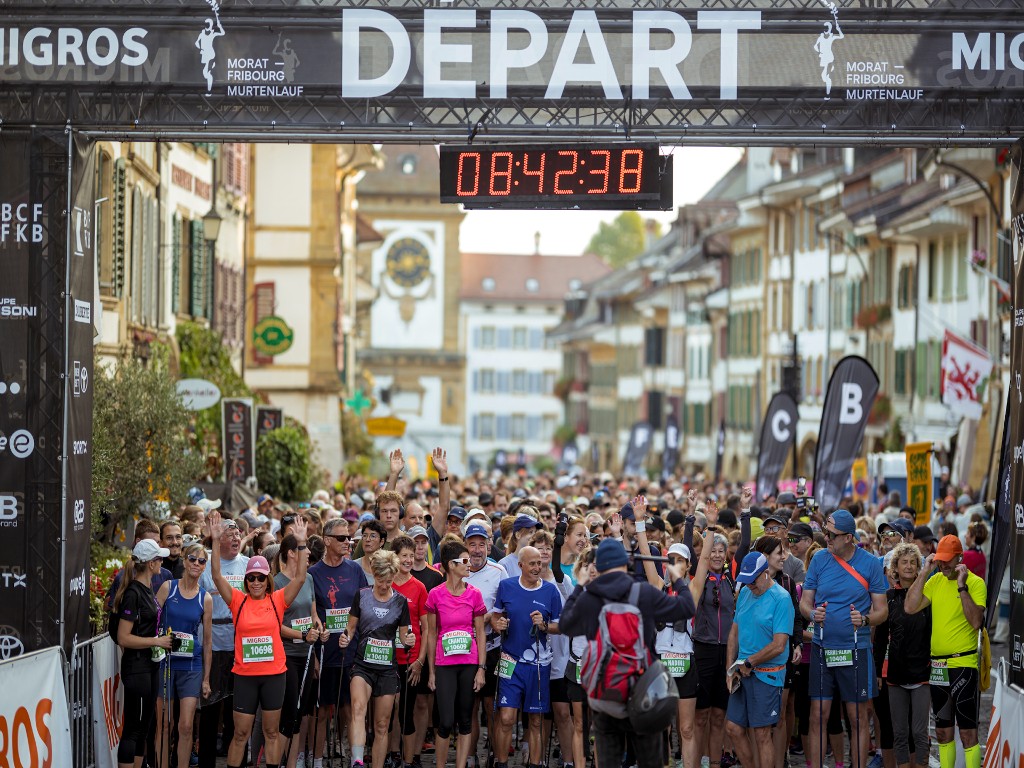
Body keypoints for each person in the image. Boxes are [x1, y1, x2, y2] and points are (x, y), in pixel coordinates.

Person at [559, 538, 695, 768]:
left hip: (605, 693)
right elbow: (687, 608)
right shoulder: (643, 592)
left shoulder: (590, 597)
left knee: (609, 761)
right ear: (625, 564)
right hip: (643, 692)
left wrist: (581, 585)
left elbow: (565, 625)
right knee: (650, 761)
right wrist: (677, 578)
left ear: (599, 566)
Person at [208, 510, 311, 768]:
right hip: (244, 676)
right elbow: (217, 577)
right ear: (246, 580)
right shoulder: (237, 601)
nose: (255, 582)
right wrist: (214, 541)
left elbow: (300, 578)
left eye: (260, 578)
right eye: (251, 578)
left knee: (272, 733)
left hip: (274, 675)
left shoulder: (277, 601)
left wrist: (300, 542)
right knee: (240, 734)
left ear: (268, 580)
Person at [799, 509, 889, 768]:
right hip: (822, 648)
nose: (826, 538)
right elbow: (805, 603)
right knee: (818, 715)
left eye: (832, 535)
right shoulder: (819, 560)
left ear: (849, 537)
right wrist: (812, 613)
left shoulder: (871, 563)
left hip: (856, 649)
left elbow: (882, 610)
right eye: (825, 532)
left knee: (858, 716)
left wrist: (867, 620)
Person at [904, 535, 986, 768]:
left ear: (960, 558)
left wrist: (961, 586)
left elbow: (975, 621)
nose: (943, 565)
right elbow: (910, 607)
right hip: (938, 666)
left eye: (948, 561)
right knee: (942, 733)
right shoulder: (935, 579)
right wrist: (924, 571)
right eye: (940, 560)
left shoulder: (975, 582)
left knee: (968, 733)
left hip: (963, 665)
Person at [339, 550, 415, 768]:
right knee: (358, 708)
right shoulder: (361, 595)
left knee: (382, 724)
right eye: (381, 580)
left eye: (389, 581)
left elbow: (403, 636)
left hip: (387, 669)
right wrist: (345, 638)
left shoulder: (400, 601)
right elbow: (350, 628)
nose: (384, 585)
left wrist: (408, 639)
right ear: (374, 574)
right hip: (362, 665)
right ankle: (357, 761)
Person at [490, 546, 563, 768]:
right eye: (532, 563)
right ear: (520, 565)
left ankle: (535, 763)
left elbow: (558, 626)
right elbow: (495, 617)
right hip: (510, 661)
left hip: (538, 665)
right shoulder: (507, 586)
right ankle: (500, 763)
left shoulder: (550, 591)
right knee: (506, 718)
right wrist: (498, 624)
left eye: (540, 563)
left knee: (536, 720)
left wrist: (543, 625)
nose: (537, 567)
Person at [725, 552, 794, 768]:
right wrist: (730, 669)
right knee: (733, 728)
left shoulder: (781, 598)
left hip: (767, 675)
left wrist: (749, 662)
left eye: (752, 579)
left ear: (765, 573)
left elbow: (779, 645)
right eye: (745, 580)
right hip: (743, 672)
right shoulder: (745, 592)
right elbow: (733, 634)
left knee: (762, 733)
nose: (749, 585)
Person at [310, 518, 369, 768]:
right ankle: (318, 759)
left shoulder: (355, 570)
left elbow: (365, 605)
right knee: (322, 711)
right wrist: (313, 655)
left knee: (351, 708)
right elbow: (310, 615)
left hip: (352, 650)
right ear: (327, 540)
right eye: (342, 538)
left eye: (349, 538)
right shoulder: (313, 574)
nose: (348, 542)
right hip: (325, 651)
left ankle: (352, 756)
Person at [425, 539, 488, 768]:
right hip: (444, 664)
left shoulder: (475, 594)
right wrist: (431, 671)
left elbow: (480, 634)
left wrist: (481, 669)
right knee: (445, 720)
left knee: (464, 720)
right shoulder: (435, 595)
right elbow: (432, 634)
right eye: (464, 560)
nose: (468, 563)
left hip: (469, 663)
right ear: (451, 565)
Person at [112, 539, 174, 768]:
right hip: (136, 667)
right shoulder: (132, 593)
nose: (162, 561)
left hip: (150, 665)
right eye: (159, 558)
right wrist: (156, 641)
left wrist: (159, 641)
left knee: (145, 726)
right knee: (133, 728)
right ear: (150, 563)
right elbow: (123, 637)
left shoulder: (147, 589)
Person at [155, 541, 213, 768]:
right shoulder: (168, 588)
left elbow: (207, 641)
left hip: (191, 666)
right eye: (192, 559)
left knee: (186, 726)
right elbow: (152, 621)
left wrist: (207, 678)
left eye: (201, 561)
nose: (196, 564)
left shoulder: (205, 598)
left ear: (205, 566)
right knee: (164, 724)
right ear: (184, 560)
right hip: (165, 663)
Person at [197, 515, 249, 768]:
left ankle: (234, 761)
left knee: (236, 710)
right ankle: (207, 761)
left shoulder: (249, 565)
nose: (236, 538)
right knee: (209, 710)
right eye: (230, 534)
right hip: (212, 644)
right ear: (219, 538)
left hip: (240, 645)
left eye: (239, 534)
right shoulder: (206, 565)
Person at [874, 543, 931, 768]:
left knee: (918, 731)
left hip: (922, 672)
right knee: (899, 732)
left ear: (919, 567)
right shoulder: (888, 597)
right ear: (895, 567)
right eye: (904, 562)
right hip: (895, 674)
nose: (908, 566)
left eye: (913, 562)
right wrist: (878, 671)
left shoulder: (928, 596)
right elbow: (879, 639)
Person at [274, 534, 326, 768]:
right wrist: (301, 635)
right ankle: (276, 762)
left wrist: (318, 628)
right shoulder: (276, 583)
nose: (308, 555)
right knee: (289, 712)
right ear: (291, 553)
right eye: (303, 550)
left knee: (301, 714)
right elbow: (274, 624)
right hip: (286, 655)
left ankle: (292, 763)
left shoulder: (309, 580)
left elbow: (312, 615)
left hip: (307, 653)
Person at [463, 523, 509, 768]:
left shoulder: (499, 570)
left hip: (492, 647)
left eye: (482, 544)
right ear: (465, 546)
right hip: (464, 648)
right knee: (470, 707)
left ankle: (493, 751)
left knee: (492, 706)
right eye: (472, 544)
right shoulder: (458, 570)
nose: (477, 550)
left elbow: (506, 607)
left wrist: (494, 619)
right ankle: (470, 758)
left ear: (489, 545)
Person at [388, 534, 430, 768]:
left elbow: (426, 628)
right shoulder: (386, 583)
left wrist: (421, 660)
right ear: (394, 557)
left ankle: (410, 758)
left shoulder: (419, 587)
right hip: (387, 658)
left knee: (406, 709)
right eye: (403, 555)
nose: (407, 560)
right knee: (390, 708)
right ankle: (393, 754)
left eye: (410, 556)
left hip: (411, 660)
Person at [655, 543, 698, 768]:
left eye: (679, 560)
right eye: (670, 559)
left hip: (686, 665)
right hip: (661, 665)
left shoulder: (692, 589)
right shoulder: (658, 588)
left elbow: (707, 557)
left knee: (687, 728)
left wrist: (710, 526)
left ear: (689, 565)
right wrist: (640, 523)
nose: (673, 564)